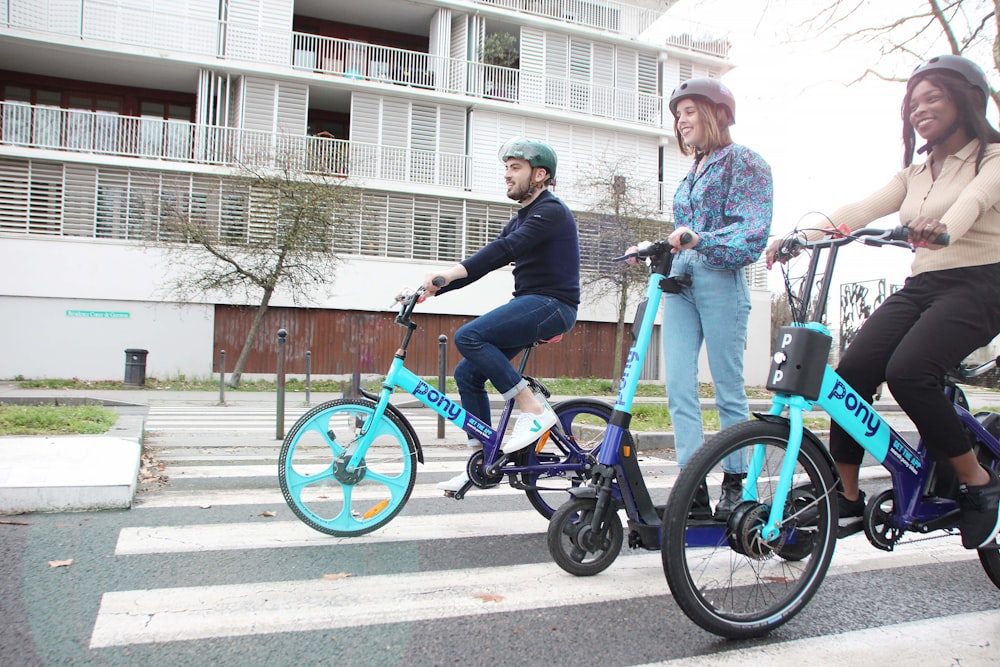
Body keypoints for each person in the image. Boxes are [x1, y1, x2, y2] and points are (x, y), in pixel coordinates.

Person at [766, 54, 1000, 549]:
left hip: (981, 284)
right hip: (924, 286)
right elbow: (858, 210)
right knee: (850, 373)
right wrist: (797, 236)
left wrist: (943, 230)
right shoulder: (915, 173)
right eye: (912, 103)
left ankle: (977, 481)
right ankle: (847, 494)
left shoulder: (992, 158)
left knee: (910, 371)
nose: (919, 109)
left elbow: (974, 201)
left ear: (966, 101)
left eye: (932, 97)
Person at [631, 78, 773, 520]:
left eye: (689, 111)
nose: (681, 120)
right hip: (680, 280)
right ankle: (691, 486)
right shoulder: (691, 172)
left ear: (717, 114)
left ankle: (734, 484)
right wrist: (658, 249)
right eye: (678, 114)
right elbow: (684, 234)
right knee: (678, 387)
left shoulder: (744, 162)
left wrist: (698, 239)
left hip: (719, 276)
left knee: (728, 388)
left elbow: (752, 231)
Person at [421, 138, 581, 493]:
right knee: (467, 373)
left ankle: (533, 409)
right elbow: (483, 265)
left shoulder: (551, 211)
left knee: (469, 336)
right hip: (532, 304)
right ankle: (482, 459)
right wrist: (432, 289)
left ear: (540, 175)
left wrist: (447, 273)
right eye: (506, 168)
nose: (507, 175)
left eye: (515, 168)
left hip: (553, 305)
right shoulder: (523, 217)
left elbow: (504, 250)